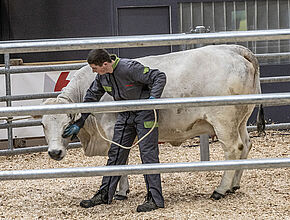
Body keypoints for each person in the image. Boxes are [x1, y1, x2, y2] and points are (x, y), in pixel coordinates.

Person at [62, 49, 166, 212]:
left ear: (104, 64)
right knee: (116, 153)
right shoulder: (103, 76)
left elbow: (158, 76)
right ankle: (105, 194)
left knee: (148, 154)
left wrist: (153, 99)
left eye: (94, 68)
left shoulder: (129, 68)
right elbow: (91, 96)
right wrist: (80, 121)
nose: (93, 71)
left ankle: (155, 199)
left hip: (145, 114)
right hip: (124, 113)